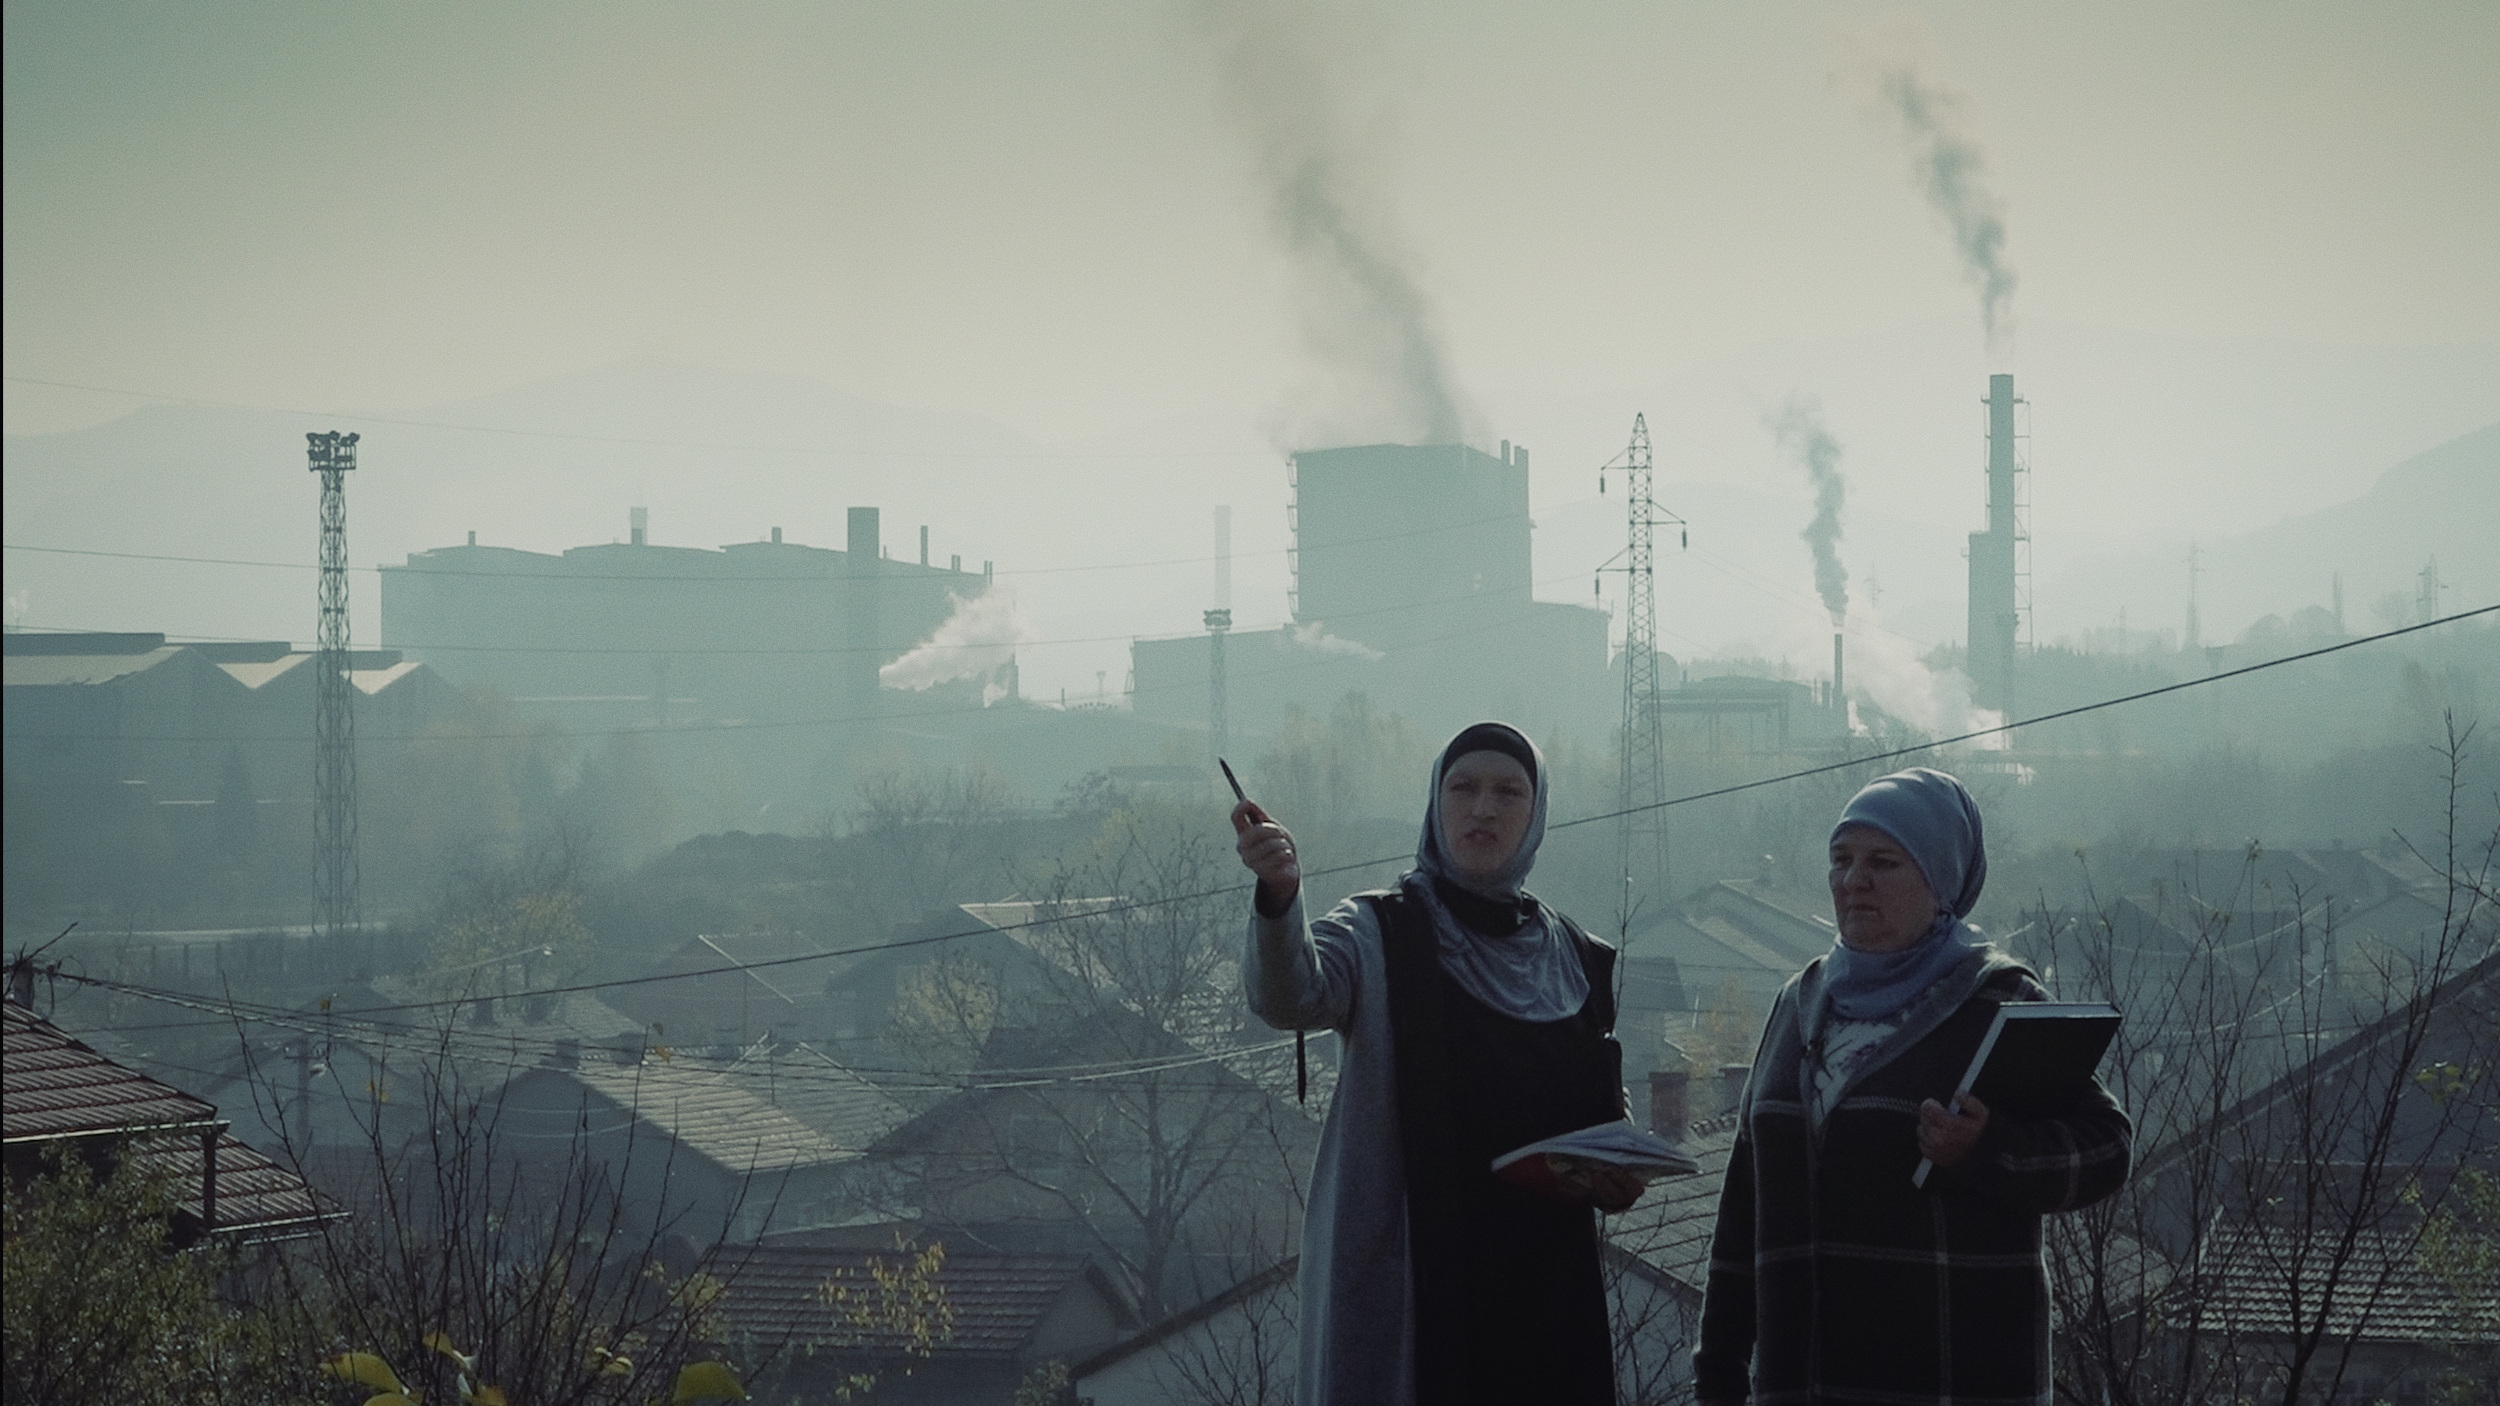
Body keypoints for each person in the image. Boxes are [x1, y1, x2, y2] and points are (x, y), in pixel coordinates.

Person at [1694, 766, 2133, 1404]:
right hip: (1799, 1386)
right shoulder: (1799, 1003)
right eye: (1840, 860)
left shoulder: (1996, 1000)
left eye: (1884, 862)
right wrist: (1720, 1376)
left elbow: (2107, 1146)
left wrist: (1987, 1150)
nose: (1854, 881)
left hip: (1953, 1385)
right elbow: (1742, 1214)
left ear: (1941, 879)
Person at [1234, 721, 1641, 1406]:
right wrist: (1279, 894)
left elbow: (1605, 1120)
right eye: (1464, 788)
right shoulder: (1378, 930)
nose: (1483, 808)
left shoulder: (1573, 956)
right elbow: (1291, 994)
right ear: (1436, 802)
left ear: (1536, 814)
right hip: (1417, 1284)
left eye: (1508, 792)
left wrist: (1619, 1173)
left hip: (1544, 1294)